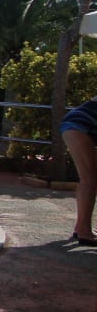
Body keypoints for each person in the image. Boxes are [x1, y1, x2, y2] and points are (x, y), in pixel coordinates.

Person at [59, 98, 97, 246]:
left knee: (87, 178)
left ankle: (80, 227)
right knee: (90, 179)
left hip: (76, 125)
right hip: (78, 126)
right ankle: (84, 232)